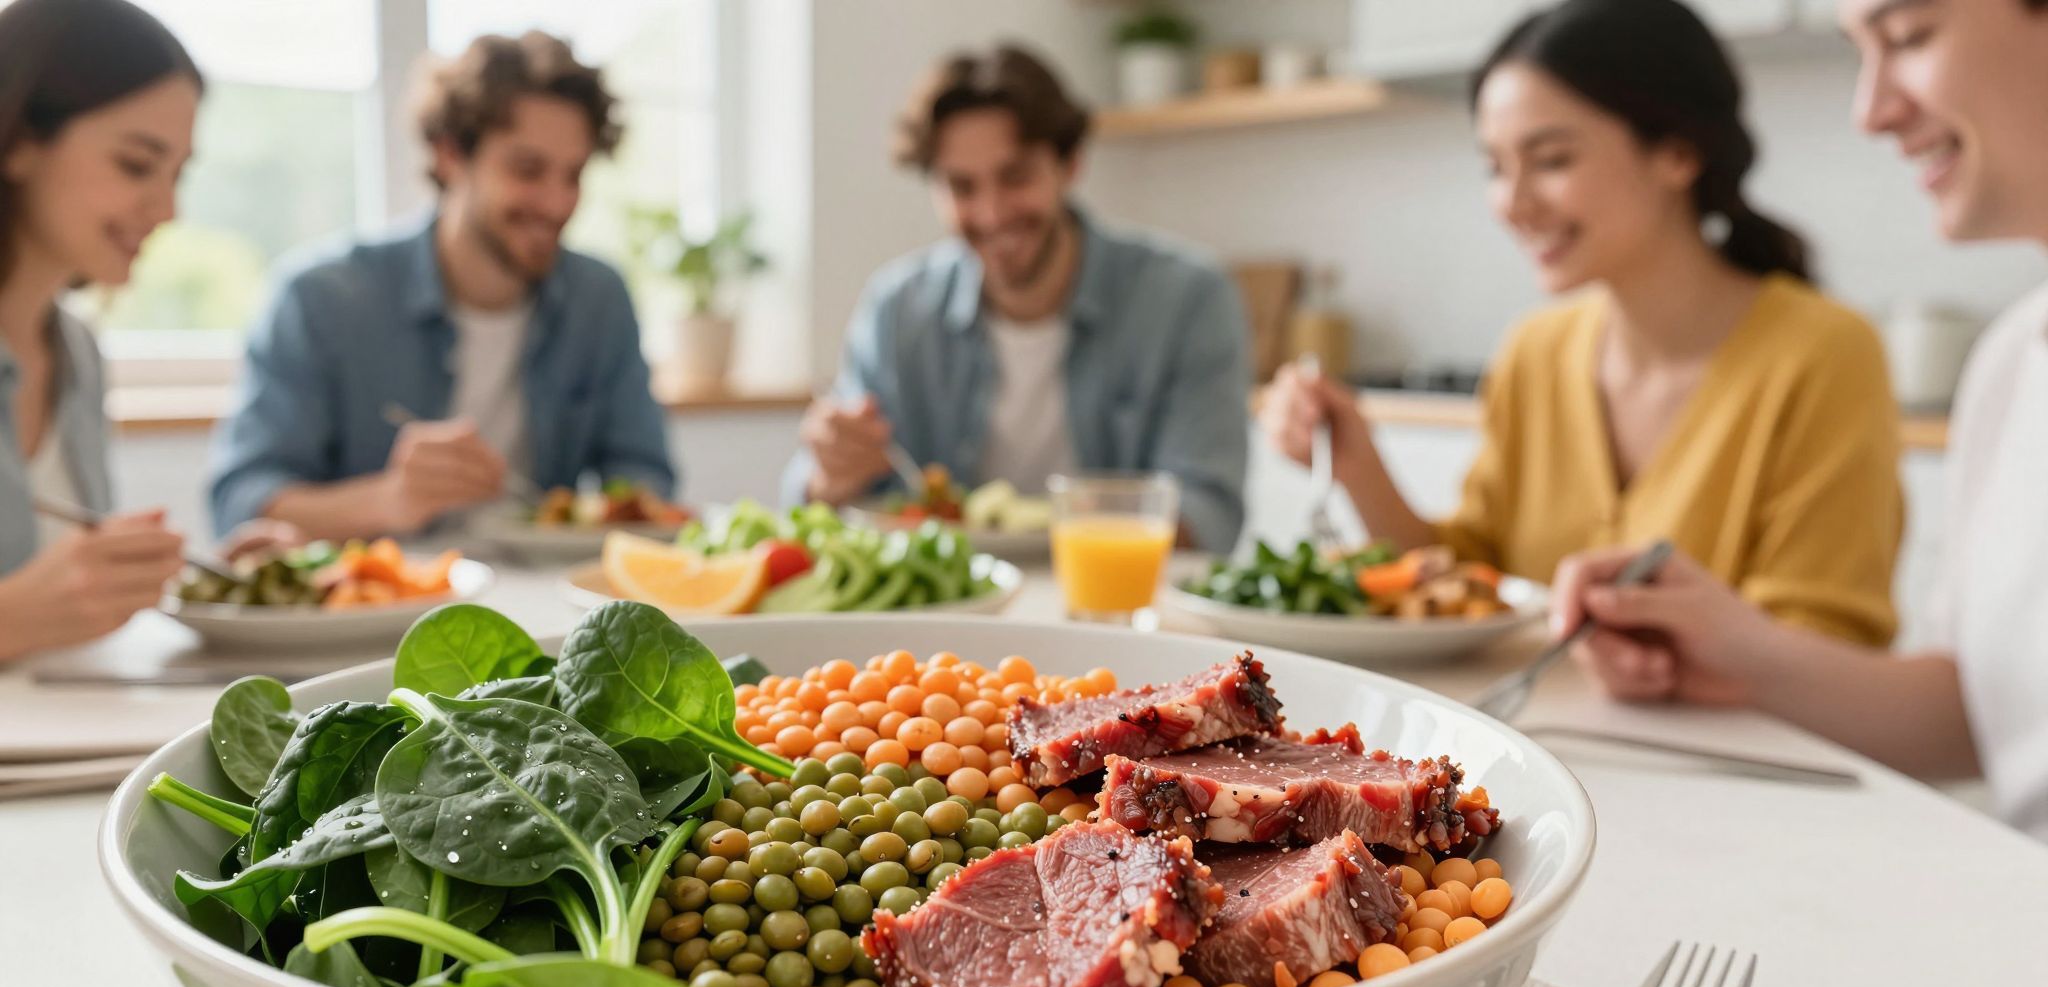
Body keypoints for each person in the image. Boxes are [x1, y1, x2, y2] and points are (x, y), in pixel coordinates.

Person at [1550, 0, 2048, 839]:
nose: (1871, 110)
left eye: (1909, 36)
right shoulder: (2013, 364)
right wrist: (1740, 650)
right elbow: (1986, 717)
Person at [1263, 0, 1904, 645]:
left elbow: (1825, 640)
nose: (1511, 204)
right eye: (1495, 167)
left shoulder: (1824, 354)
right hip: (1537, 738)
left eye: (1551, 160)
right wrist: (1356, 466)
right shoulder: (1536, 350)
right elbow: (1470, 585)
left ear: (1677, 154)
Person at [782, 45, 1253, 553]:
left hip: (1116, 612)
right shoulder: (897, 310)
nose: (991, 213)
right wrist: (831, 473)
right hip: (948, 608)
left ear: (1070, 165)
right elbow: (811, 504)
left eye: (1016, 177)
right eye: (962, 187)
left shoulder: (1187, 300)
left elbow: (1210, 510)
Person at [207, 31, 676, 540]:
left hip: (545, 606)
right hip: (376, 607)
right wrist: (389, 500)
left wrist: (615, 511)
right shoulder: (321, 299)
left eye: (574, 175)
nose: (557, 202)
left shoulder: (598, 300)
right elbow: (242, 503)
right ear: (451, 155)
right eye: (528, 170)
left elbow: (645, 477)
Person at [0, 0, 195, 661]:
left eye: (177, 175)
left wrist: (233, 575)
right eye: (137, 165)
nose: (167, 210)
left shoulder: (77, 352)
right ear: (21, 139)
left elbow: (67, 593)